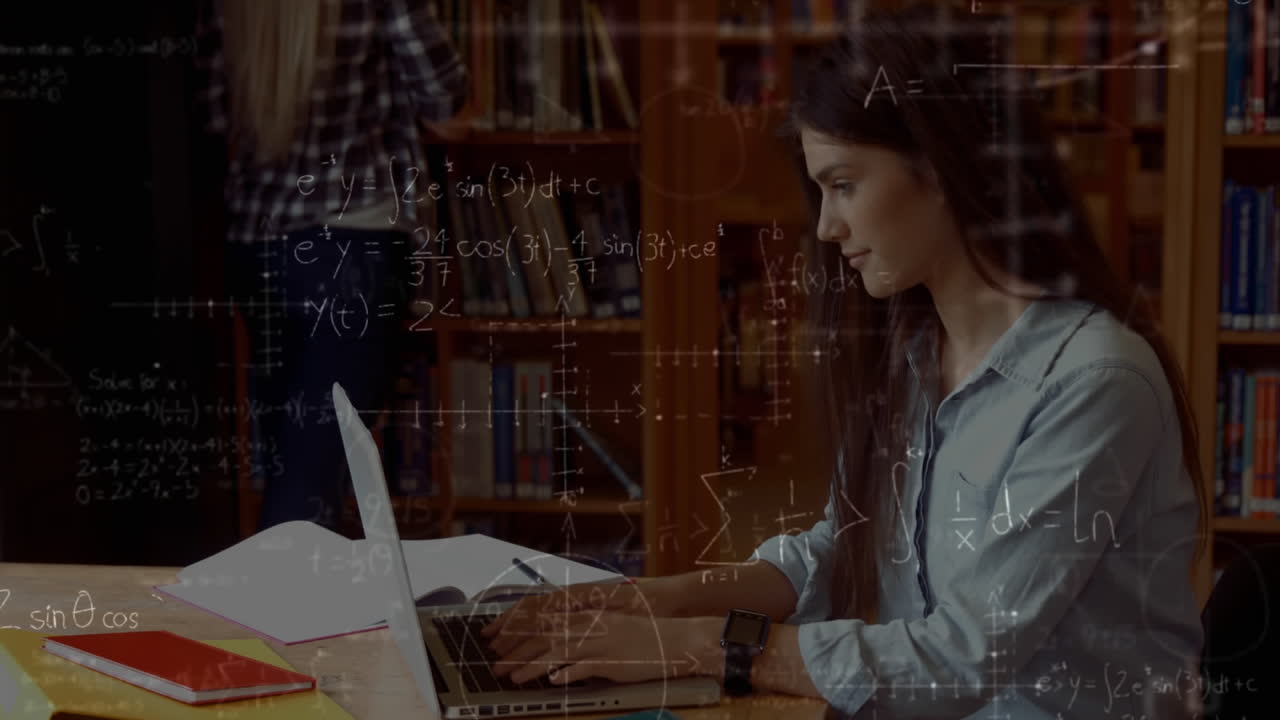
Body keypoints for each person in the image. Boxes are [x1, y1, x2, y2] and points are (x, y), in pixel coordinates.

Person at [481, 4, 1206, 718]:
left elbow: (959, 660)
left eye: (844, 184)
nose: (827, 228)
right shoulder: (917, 355)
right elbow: (843, 548)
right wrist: (652, 599)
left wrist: (695, 647)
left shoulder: (1094, 383)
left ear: (943, 164)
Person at [197, 0, 469, 530]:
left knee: (293, 460)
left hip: (258, 248)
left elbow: (212, 116)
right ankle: (282, 607)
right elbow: (443, 95)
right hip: (351, 246)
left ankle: (288, 604)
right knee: (314, 477)